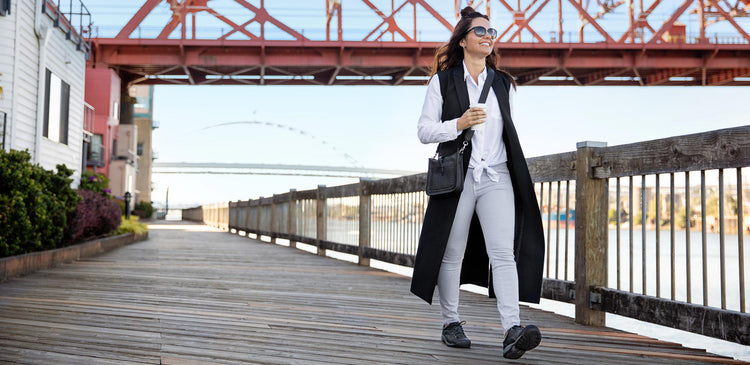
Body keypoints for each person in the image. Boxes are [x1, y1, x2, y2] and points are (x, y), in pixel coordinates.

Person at [410, 6, 546, 360]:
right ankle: (450, 322)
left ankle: (512, 330)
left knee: (503, 253)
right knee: (452, 251)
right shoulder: (442, 81)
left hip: (497, 174)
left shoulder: (503, 82)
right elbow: (424, 131)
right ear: (463, 40)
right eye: (481, 32)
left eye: (492, 32)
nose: (489, 37)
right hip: (459, 175)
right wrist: (458, 123)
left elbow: (506, 132)